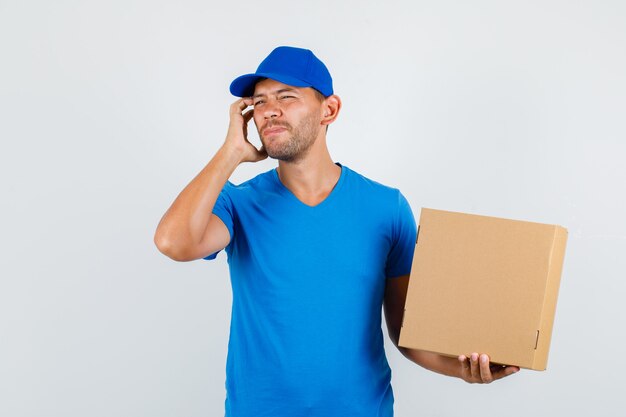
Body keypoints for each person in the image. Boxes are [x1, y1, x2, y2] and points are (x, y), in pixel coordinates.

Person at [154, 46, 519, 417]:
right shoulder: (238, 204)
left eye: (287, 97)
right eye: (259, 102)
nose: (270, 110)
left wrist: (465, 370)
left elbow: (407, 333)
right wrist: (230, 152)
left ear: (329, 110)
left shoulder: (386, 208)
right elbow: (173, 242)